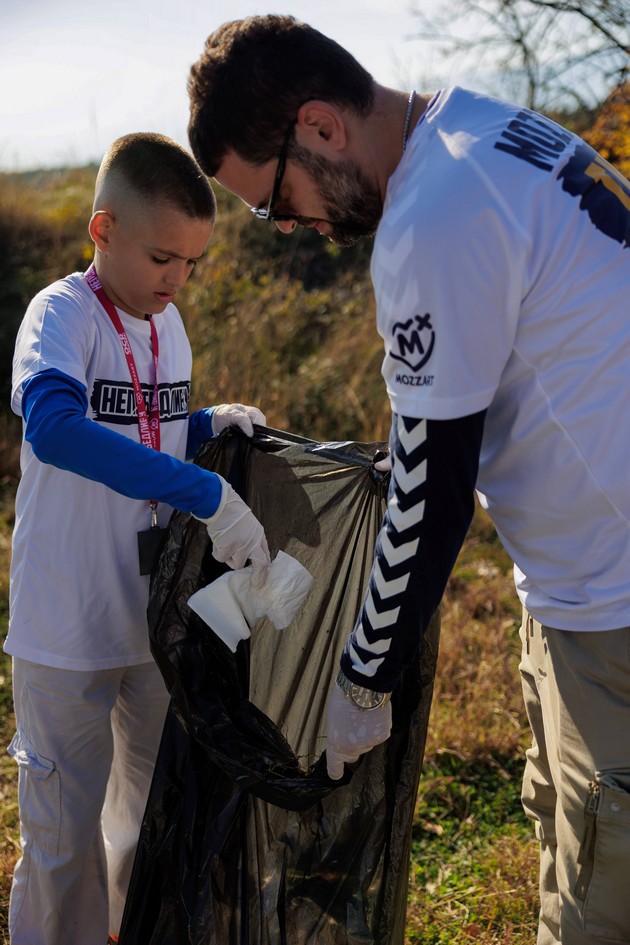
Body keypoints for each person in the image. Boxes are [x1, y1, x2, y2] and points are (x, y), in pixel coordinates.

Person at [186, 15, 630, 945]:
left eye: (272, 203)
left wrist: (358, 680)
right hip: (579, 575)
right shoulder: (479, 131)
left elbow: (432, 501)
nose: (292, 228)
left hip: (615, 595)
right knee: (568, 831)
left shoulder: (430, 219)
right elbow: (450, 413)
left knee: (606, 893)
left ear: (319, 127)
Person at [5, 131, 271, 945]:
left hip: (150, 625)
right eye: (163, 258)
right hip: (65, 630)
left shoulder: (171, 324)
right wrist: (203, 488)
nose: (177, 280)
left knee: (140, 823)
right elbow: (57, 428)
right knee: (61, 844)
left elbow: (142, 431)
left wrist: (203, 427)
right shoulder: (59, 314)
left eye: (192, 262)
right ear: (103, 229)